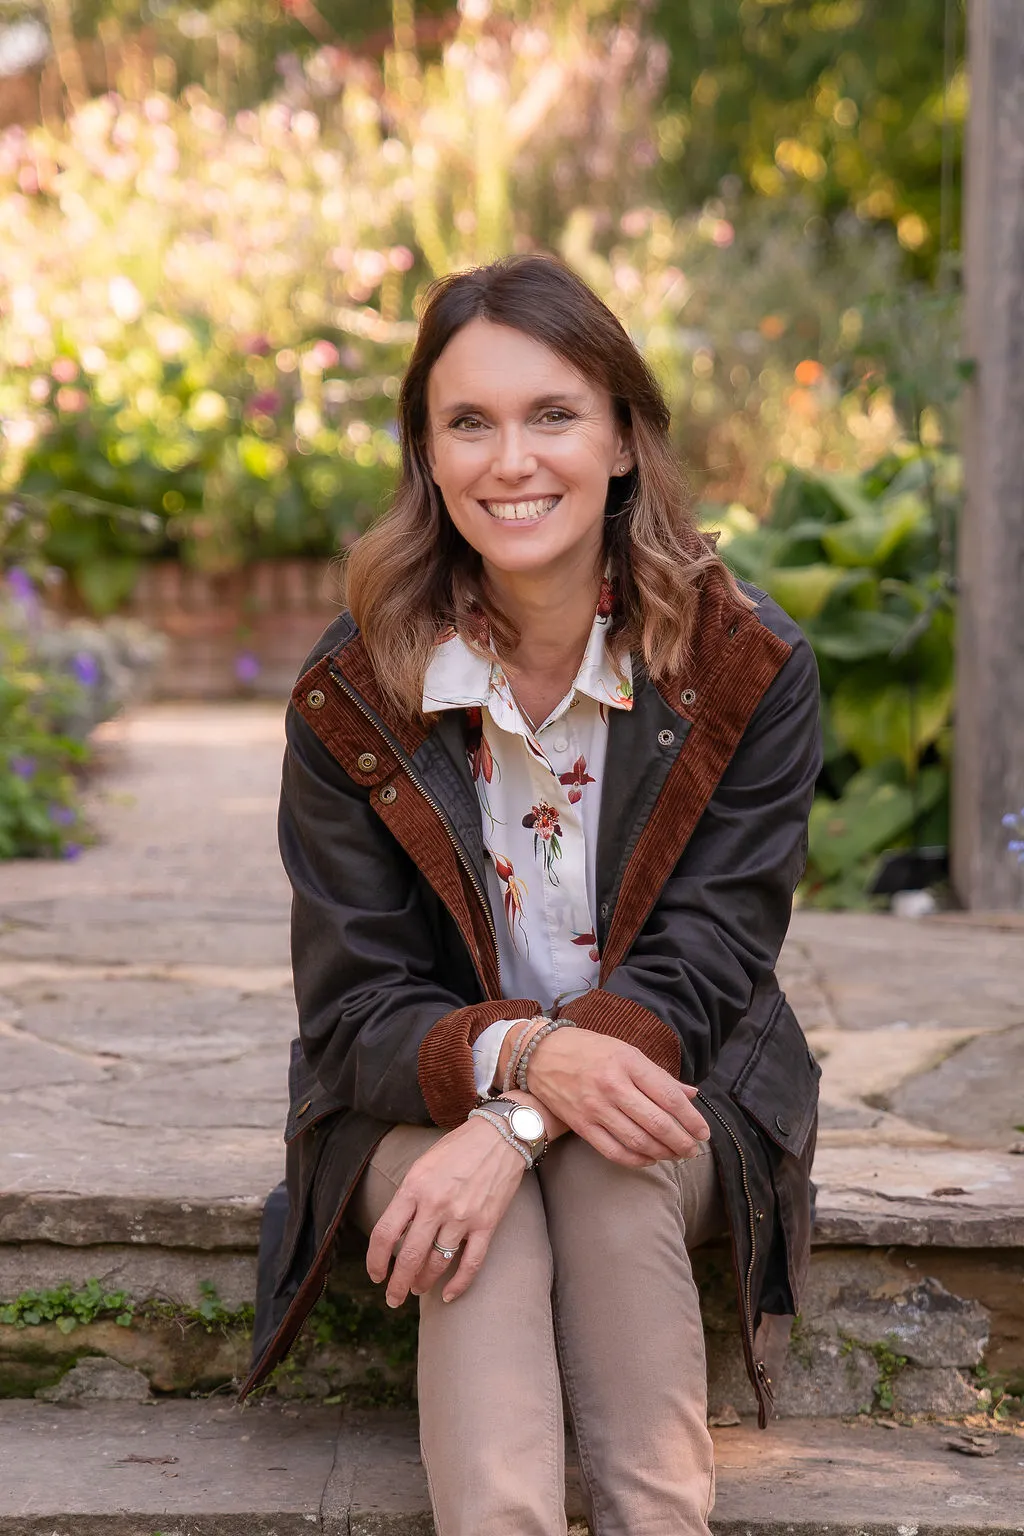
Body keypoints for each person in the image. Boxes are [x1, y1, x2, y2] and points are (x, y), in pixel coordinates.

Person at [241, 254, 823, 1536]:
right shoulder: (355, 693)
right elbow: (357, 1009)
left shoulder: (743, 669)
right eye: (470, 423)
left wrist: (521, 1118)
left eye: (552, 414)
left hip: (677, 1091)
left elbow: (709, 963)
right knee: (483, 1226)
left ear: (621, 437)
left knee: (608, 1165)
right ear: (429, 457)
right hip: (405, 1105)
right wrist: (516, 1069)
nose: (512, 461)